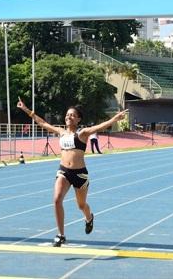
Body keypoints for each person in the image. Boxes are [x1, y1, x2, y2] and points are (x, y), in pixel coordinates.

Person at [17, 97, 127, 246]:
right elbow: (42, 123)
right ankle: (61, 235)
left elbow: (100, 126)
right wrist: (26, 110)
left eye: (73, 115)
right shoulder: (61, 132)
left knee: (81, 205)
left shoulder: (83, 133)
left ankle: (89, 218)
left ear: (78, 119)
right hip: (63, 172)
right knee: (56, 200)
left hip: (80, 174)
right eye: (67, 114)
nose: (69, 117)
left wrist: (115, 118)